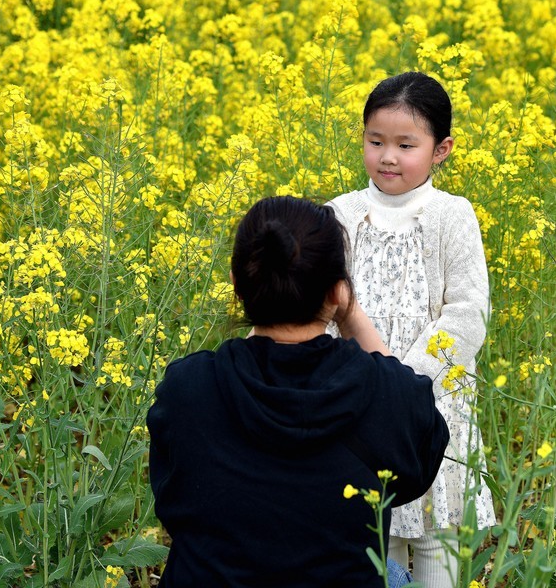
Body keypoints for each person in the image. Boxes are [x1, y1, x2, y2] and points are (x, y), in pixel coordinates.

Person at [147, 195, 449, 587]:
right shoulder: (383, 394)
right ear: (337, 291)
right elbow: (418, 458)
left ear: (237, 286)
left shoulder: (187, 389)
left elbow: (173, 501)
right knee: (392, 575)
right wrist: (350, 309)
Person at [329, 72, 497, 588]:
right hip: (359, 404)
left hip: (433, 403)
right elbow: (326, 307)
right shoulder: (340, 213)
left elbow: (467, 313)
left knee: (433, 540)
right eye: (375, 141)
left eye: (406, 145)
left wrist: (408, 382)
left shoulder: (453, 215)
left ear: (441, 149)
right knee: (377, 544)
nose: (387, 157)